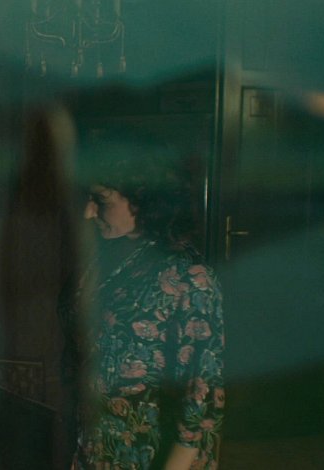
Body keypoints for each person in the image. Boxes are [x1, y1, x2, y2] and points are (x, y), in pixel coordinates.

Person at [60, 131, 225, 470]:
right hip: (97, 443)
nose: (89, 212)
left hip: (152, 454)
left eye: (101, 200)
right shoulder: (103, 258)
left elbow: (202, 395)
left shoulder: (189, 277)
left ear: (145, 198)